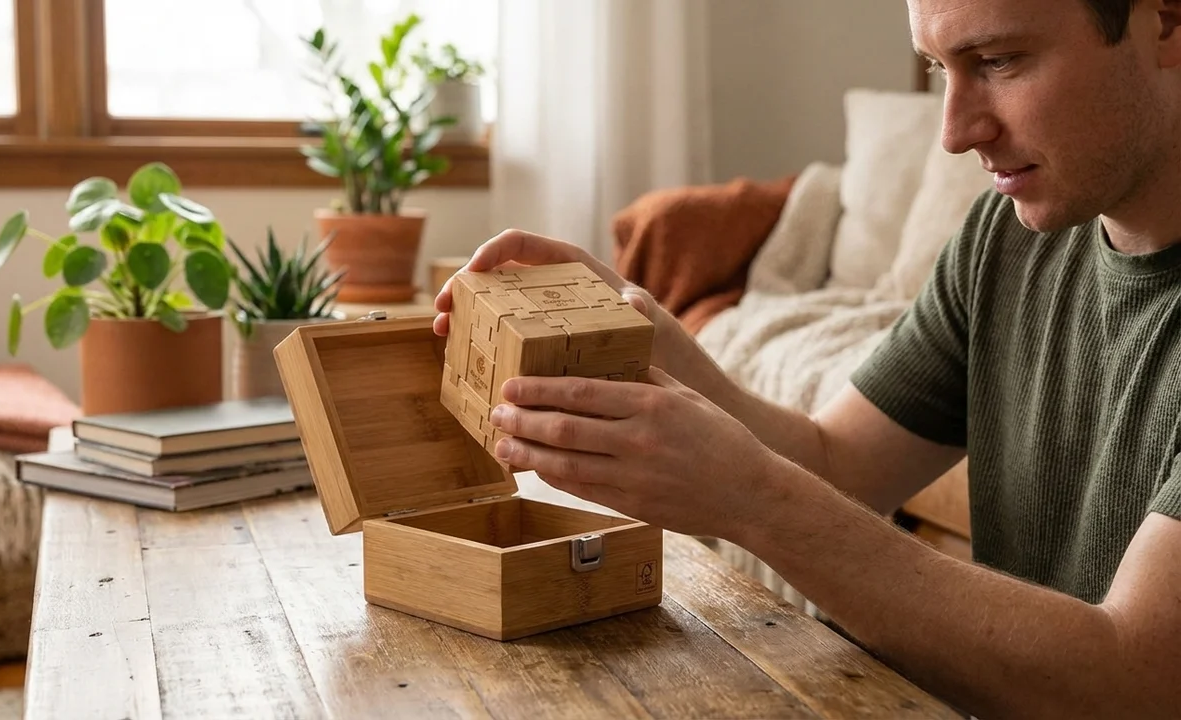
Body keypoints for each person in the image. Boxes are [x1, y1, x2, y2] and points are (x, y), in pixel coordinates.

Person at [432, 0, 1181, 716]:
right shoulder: (1004, 240)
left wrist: (753, 500)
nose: (953, 132)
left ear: (1167, 23)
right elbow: (836, 462)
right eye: (937, 67)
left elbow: (1133, 684)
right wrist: (646, 333)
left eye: (998, 60)